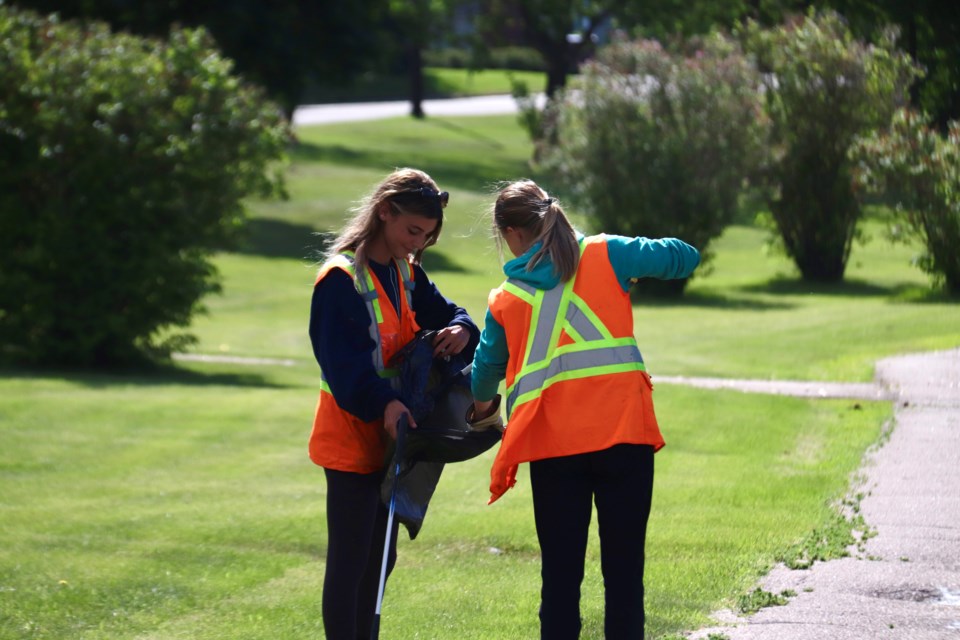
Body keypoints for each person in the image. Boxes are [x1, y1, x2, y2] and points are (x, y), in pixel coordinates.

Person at [468, 179, 700, 639]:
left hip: (554, 452)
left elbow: (484, 373)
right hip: (624, 439)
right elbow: (685, 256)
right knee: (625, 578)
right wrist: (629, 259)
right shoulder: (608, 253)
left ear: (510, 234)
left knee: (559, 581)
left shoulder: (505, 300)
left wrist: (483, 413)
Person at [309, 167, 480, 640]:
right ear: (385, 211)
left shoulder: (407, 271)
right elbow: (345, 370)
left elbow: (451, 313)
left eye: (426, 236)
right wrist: (385, 403)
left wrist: (461, 328)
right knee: (352, 559)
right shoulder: (340, 280)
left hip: (397, 439)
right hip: (352, 439)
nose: (416, 244)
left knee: (381, 557)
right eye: (411, 231)